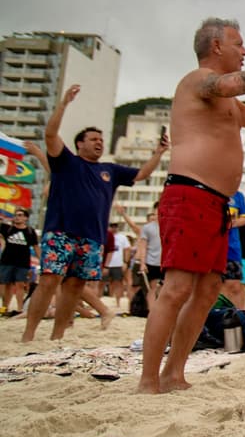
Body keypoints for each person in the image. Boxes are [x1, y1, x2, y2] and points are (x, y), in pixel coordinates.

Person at [137, 19, 245, 394]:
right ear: (217, 46)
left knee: (206, 291)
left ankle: (174, 373)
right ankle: (147, 380)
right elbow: (227, 84)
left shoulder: (231, 104)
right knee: (176, 288)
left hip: (216, 204)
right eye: (239, 44)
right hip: (189, 193)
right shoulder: (197, 81)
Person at [22, 86, 167, 342]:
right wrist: (64, 104)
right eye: (93, 139)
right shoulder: (66, 161)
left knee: (76, 285)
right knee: (49, 280)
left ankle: (57, 336)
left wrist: (159, 153)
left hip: (92, 237)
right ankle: (29, 334)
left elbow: (142, 174)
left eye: (101, 140)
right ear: (80, 144)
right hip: (61, 230)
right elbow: (50, 134)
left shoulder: (109, 170)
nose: (99, 143)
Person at [0, 209, 38, 315]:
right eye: (16, 215)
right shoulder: (6, 228)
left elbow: (36, 247)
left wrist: (41, 260)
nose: (17, 217)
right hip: (7, 261)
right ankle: (4, 307)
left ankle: (20, 308)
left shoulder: (30, 231)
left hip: (23, 262)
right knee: (6, 284)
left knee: (20, 285)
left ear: (26, 218)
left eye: (20, 215)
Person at [102, 222, 131, 308]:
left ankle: (118, 302)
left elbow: (127, 250)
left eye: (115, 226)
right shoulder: (104, 235)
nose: (114, 228)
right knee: (101, 283)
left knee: (118, 283)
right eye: (111, 226)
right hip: (105, 263)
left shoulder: (122, 237)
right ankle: (98, 300)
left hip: (117, 264)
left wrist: (125, 262)